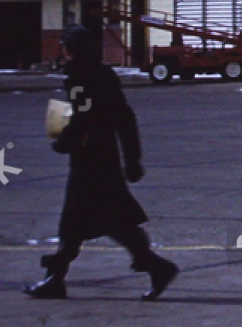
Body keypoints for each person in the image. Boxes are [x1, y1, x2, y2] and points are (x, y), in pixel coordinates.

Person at [24, 24, 178, 301]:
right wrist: (133, 158)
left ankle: (155, 266)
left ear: (72, 48)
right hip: (106, 156)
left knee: (82, 220)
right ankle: (56, 278)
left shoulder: (80, 77)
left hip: (88, 160)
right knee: (107, 220)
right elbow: (124, 117)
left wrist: (63, 142)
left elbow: (83, 117)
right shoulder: (104, 74)